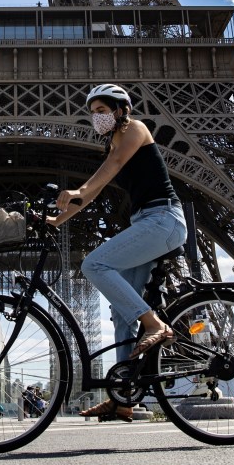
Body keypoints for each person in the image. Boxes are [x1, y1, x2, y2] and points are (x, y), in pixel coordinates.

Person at [47, 84, 186, 422]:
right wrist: (55, 220)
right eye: (93, 111)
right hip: (146, 221)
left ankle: (156, 324)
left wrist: (79, 188)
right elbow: (92, 195)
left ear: (121, 109)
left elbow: (115, 163)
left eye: (102, 109)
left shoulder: (136, 129)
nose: (97, 116)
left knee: (96, 264)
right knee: (123, 312)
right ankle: (124, 394)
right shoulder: (113, 142)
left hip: (163, 218)